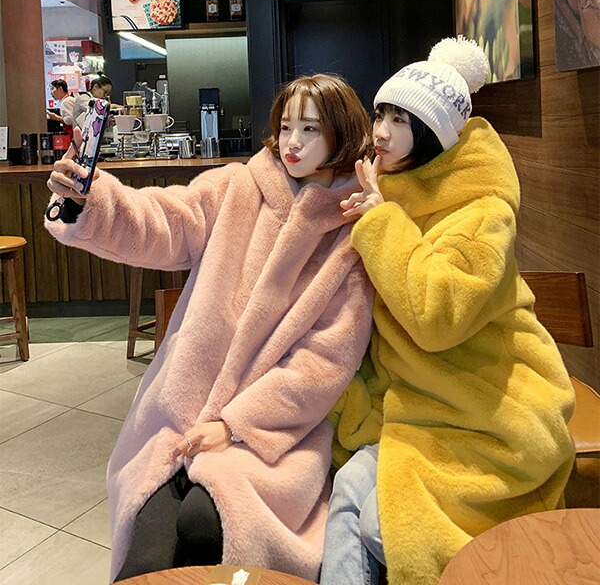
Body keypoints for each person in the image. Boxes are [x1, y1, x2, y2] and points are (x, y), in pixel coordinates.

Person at [44, 74, 374, 583]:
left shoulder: (351, 234)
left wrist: (236, 425)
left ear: (342, 133)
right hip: (179, 412)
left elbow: (324, 362)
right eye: (286, 126)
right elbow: (167, 219)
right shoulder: (238, 186)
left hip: (270, 435)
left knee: (207, 523)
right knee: (146, 549)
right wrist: (95, 201)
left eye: (310, 129)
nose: (292, 141)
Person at [320, 36, 575, 585]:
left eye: (400, 120)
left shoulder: (481, 212)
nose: (381, 131)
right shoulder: (391, 190)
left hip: (489, 414)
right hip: (415, 407)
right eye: (381, 114)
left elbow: (436, 316)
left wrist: (380, 222)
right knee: (346, 498)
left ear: (433, 133)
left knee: (383, 529)